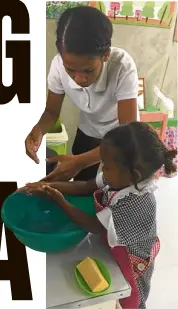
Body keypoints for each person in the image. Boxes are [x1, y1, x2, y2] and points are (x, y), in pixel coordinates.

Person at [22, 122, 177, 309]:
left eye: (107, 166)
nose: (103, 169)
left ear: (133, 175)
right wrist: (47, 186)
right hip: (113, 243)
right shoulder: (120, 177)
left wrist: (61, 201)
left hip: (133, 259)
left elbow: (94, 225)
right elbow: (85, 186)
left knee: (130, 297)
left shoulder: (138, 202)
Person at [25, 6, 139, 182]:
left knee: (117, 184)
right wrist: (38, 131)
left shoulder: (122, 66)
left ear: (106, 55)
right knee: (83, 182)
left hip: (121, 134)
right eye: (70, 69)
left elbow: (128, 132)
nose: (80, 79)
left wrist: (80, 161)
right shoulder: (57, 66)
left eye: (88, 70)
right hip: (89, 129)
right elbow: (51, 112)